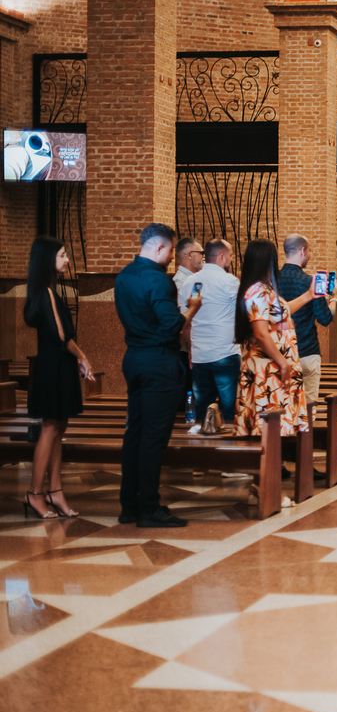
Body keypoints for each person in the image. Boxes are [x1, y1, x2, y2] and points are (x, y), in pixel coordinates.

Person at [115, 223, 202, 529]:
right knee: (153, 439)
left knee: (135, 434)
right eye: (169, 252)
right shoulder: (159, 281)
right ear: (162, 248)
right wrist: (191, 309)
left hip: (134, 358)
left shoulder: (124, 276)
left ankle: (129, 506)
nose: (170, 260)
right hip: (159, 362)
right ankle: (149, 508)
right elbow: (171, 326)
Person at [22, 237, 95, 519]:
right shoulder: (47, 293)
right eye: (63, 255)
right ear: (48, 259)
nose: (66, 260)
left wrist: (77, 358)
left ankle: (55, 491)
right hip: (53, 367)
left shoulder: (46, 290)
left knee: (58, 430)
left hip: (56, 367)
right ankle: (34, 493)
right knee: (50, 429)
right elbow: (62, 336)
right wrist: (83, 356)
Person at [234, 239, 315, 443]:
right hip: (267, 367)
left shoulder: (266, 288)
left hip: (273, 364)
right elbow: (260, 332)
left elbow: (283, 312)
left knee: (277, 414)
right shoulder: (257, 291)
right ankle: (268, 463)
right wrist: (282, 362)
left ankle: (276, 461)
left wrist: (309, 295)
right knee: (269, 414)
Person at [177, 239, 241, 425]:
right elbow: (242, 314)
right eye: (229, 255)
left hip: (199, 356)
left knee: (201, 411)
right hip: (225, 354)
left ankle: (200, 450)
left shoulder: (189, 282)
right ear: (221, 256)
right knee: (229, 409)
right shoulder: (230, 281)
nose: (230, 259)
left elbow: (186, 322)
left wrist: (190, 349)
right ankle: (229, 450)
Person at [278, 234, 337, 407]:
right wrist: (335, 298)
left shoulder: (271, 281)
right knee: (308, 408)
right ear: (303, 250)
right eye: (310, 250)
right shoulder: (310, 282)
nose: (310, 255)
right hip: (307, 351)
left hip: (280, 353)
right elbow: (325, 318)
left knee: (283, 407)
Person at [172, 236, 203, 410]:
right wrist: (191, 347)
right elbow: (184, 319)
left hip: (193, 346)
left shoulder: (195, 280)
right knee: (188, 399)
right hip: (186, 349)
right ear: (190, 254)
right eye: (200, 253)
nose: (203, 257)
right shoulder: (182, 283)